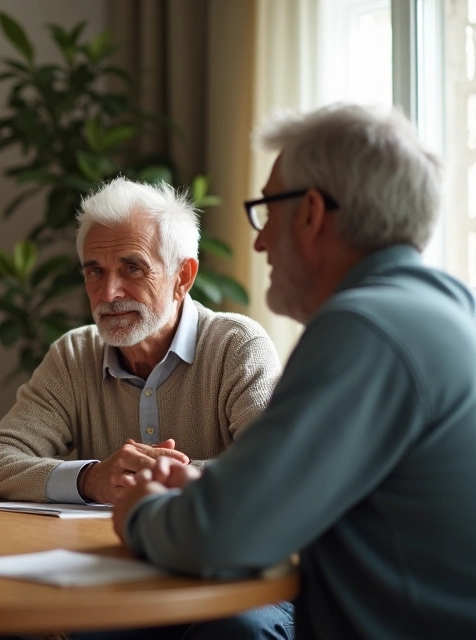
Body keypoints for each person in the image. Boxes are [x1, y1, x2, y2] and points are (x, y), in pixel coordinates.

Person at [115, 104, 476, 637]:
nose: (259, 241)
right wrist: (218, 489)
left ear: (310, 213)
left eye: (267, 210)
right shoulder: (447, 308)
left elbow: (220, 536)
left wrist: (140, 511)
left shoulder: (363, 328)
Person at [0, 177, 290, 639]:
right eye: (94, 271)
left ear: (183, 277)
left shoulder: (237, 346)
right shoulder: (73, 354)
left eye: (132, 268)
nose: (109, 292)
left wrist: (149, 480)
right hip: (119, 575)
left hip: (228, 576)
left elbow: (270, 472)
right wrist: (90, 477)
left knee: (237, 630)